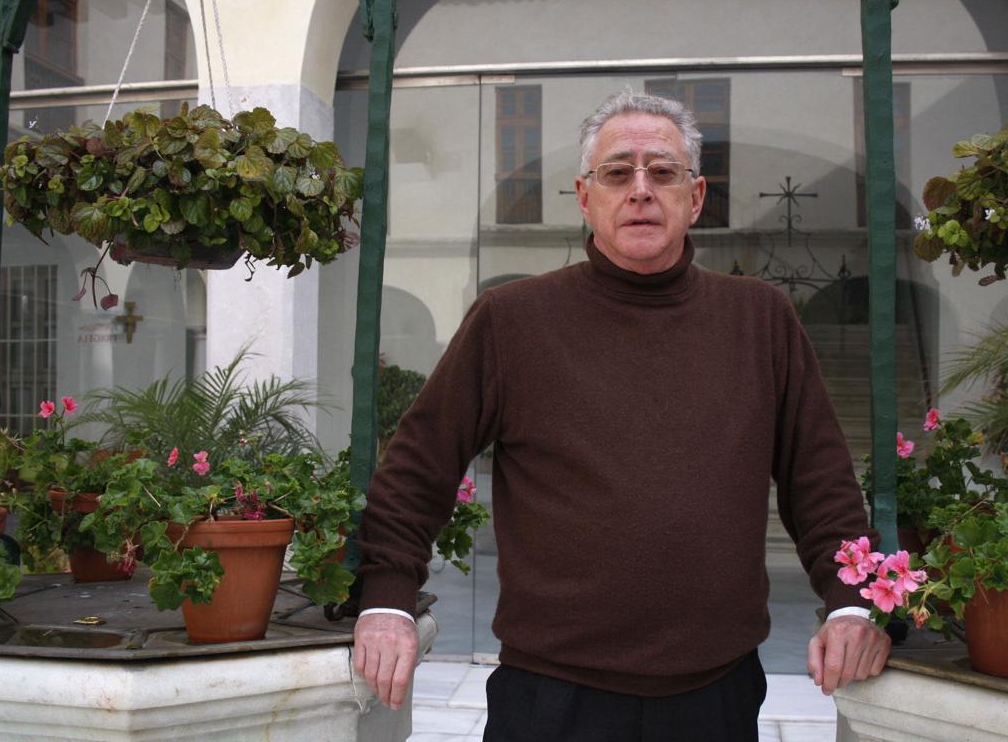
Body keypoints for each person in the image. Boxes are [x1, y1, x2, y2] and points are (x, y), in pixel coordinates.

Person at [352, 90, 890, 741]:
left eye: (662, 172)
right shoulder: (511, 321)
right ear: (585, 197)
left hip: (714, 696)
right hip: (550, 698)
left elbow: (820, 480)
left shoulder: (760, 321)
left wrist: (849, 602)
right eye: (617, 172)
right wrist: (386, 599)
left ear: (695, 198)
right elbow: (419, 468)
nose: (640, 190)